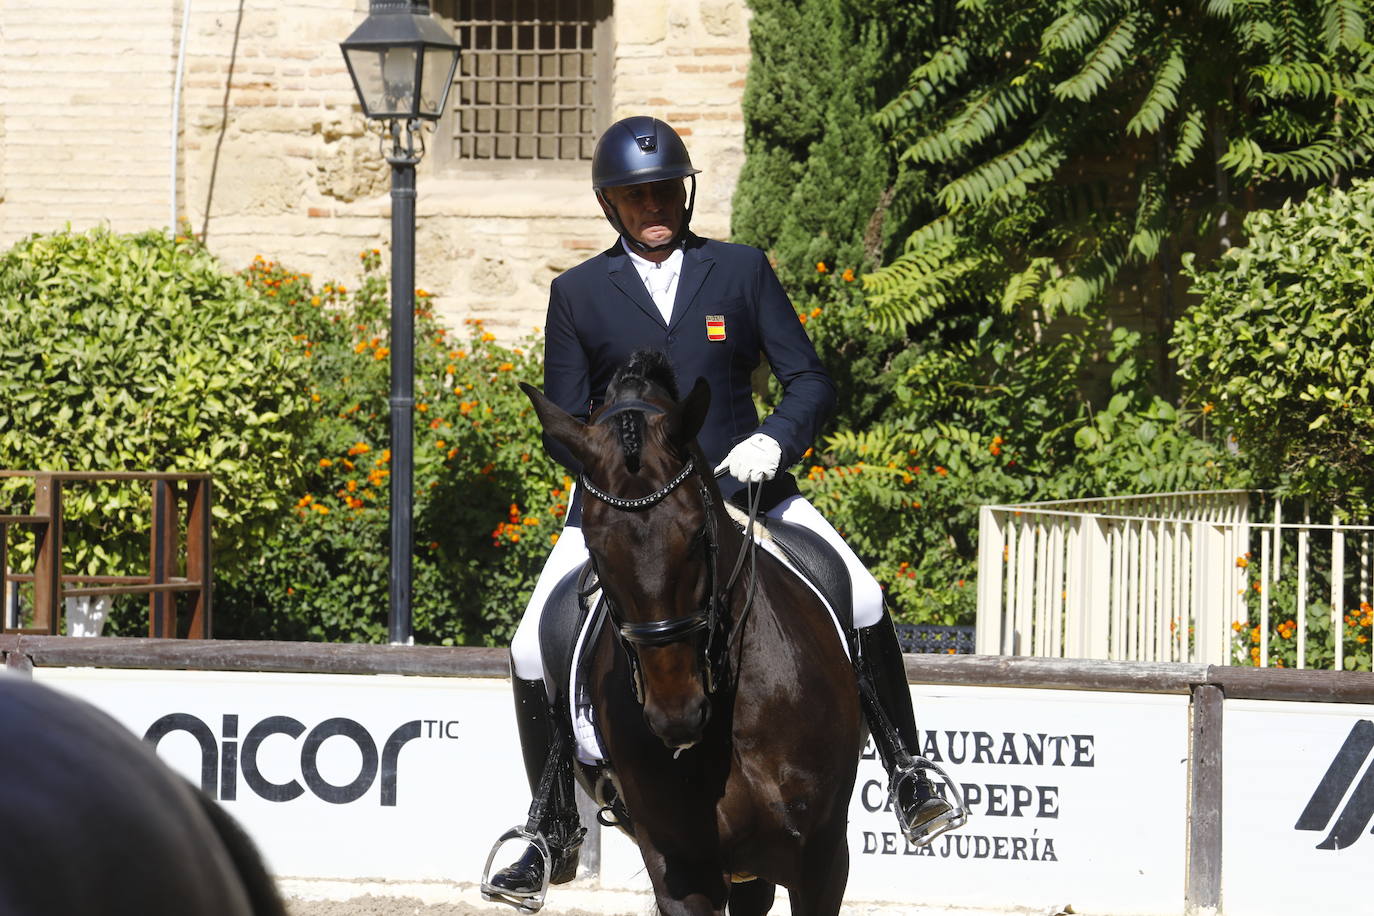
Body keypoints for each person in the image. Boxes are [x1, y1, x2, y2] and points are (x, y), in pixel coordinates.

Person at [486, 116, 963, 899]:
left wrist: (775, 440)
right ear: (611, 204)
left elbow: (808, 378)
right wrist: (613, 474)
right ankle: (549, 825)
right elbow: (565, 420)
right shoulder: (576, 294)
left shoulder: (739, 271)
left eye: (667, 189)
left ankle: (911, 775)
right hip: (628, 509)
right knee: (534, 640)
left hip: (750, 494)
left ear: (686, 189)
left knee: (865, 593)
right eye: (637, 195)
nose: (655, 205)